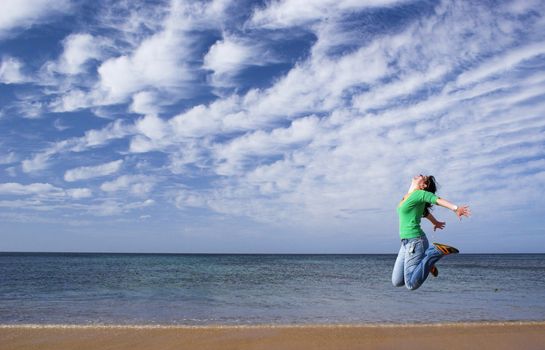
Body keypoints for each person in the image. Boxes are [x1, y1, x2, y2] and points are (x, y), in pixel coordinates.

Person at [392, 174, 471, 291]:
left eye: (424, 178)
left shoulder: (420, 194)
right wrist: (435, 222)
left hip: (415, 241)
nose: (421, 175)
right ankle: (425, 262)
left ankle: (434, 252)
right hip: (406, 243)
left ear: (423, 185)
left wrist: (456, 208)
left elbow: (436, 200)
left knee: (411, 285)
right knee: (397, 281)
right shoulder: (409, 197)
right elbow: (425, 213)